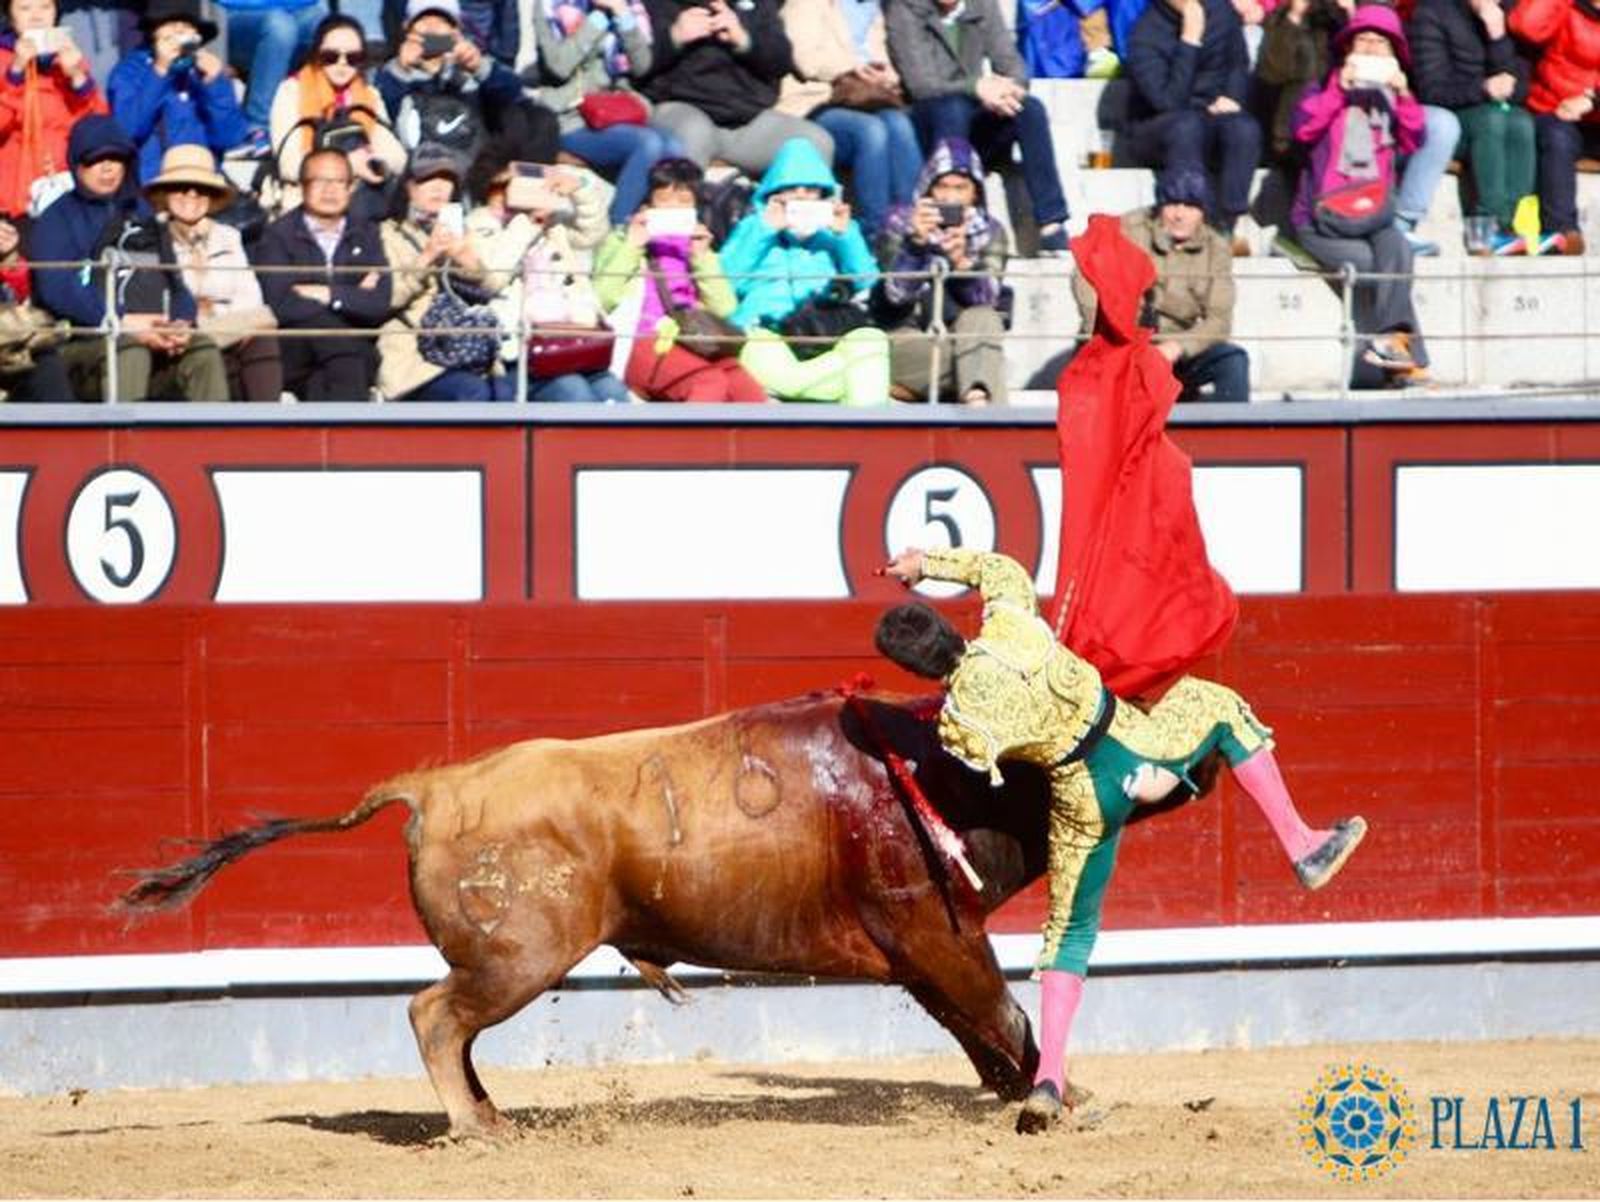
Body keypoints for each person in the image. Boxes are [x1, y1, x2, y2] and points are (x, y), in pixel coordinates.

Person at [875, 546, 1366, 1132]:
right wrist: (924, 564)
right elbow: (1000, 570)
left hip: (1083, 793)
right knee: (1224, 708)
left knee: (1070, 930)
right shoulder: (1010, 624)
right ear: (944, 623)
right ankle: (1301, 844)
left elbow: (971, 758)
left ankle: (1049, 1081)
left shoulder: (963, 716)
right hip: (1136, 737)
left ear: (916, 667)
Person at [29, 113, 228, 401]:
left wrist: (180, 324)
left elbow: (175, 283)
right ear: (77, 165)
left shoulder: (144, 215)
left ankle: (215, 444)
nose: (108, 167)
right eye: (96, 159)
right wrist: (124, 323)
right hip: (81, 344)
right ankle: (121, 443)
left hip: (152, 335)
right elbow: (57, 289)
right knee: (129, 349)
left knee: (203, 350)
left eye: (116, 158)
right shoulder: (57, 219)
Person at [1289, 3, 1429, 386]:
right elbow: (1302, 130)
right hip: (1322, 221)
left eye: (1379, 43)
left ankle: (1391, 348)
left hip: (1373, 214)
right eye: (1362, 40)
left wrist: (1402, 96)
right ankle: (1406, 365)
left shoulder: (1391, 97)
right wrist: (1340, 89)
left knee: (1396, 247)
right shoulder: (1322, 87)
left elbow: (1415, 139)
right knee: (1381, 265)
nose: (1369, 49)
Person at [886, 0, 1071, 253]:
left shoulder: (981, 5)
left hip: (975, 115)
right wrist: (976, 87)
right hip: (929, 118)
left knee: (1029, 108)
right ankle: (952, 219)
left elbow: (1011, 63)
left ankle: (1051, 221)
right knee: (953, 108)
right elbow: (921, 83)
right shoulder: (905, 8)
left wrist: (1008, 88)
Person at [719, 135, 889, 405]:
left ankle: (866, 426)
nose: (800, 194)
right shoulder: (754, 227)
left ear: (824, 194)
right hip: (763, 331)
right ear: (774, 192)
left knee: (871, 340)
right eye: (791, 188)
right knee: (851, 377)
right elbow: (722, 284)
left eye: (810, 189)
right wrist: (764, 231)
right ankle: (861, 404)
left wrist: (847, 236)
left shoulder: (839, 231)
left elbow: (868, 285)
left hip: (829, 332)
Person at [592, 156, 766, 402]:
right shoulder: (621, 242)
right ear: (646, 205)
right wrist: (632, 246)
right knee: (708, 381)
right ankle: (692, 441)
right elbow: (602, 299)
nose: (673, 207)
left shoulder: (697, 249)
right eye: (664, 200)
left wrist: (702, 258)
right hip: (640, 340)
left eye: (684, 202)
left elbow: (725, 309)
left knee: (743, 386)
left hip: (689, 339)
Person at [1073, 166, 1249, 402]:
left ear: (1203, 212)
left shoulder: (1216, 248)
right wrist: (1103, 329)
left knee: (1233, 361)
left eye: (1190, 207)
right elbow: (1084, 272)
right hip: (1121, 346)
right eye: (1172, 204)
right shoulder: (1128, 229)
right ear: (1159, 206)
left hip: (1176, 350)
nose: (1179, 215)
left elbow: (1220, 321)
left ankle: (1233, 435)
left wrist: (1176, 347)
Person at [877, 137, 1010, 405]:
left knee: (983, 318)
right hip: (906, 334)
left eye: (961, 188)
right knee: (985, 359)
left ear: (975, 193)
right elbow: (895, 297)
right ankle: (982, 401)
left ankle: (974, 399)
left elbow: (988, 300)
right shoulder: (898, 223)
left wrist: (962, 265)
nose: (950, 196)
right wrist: (915, 247)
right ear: (928, 190)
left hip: (963, 333)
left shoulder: (991, 232)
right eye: (942, 186)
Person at [376, 145, 513, 400]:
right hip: (416, 361)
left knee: (506, 393)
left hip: (467, 350)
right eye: (428, 179)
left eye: (447, 180)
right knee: (473, 392)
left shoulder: (465, 232)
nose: (439, 187)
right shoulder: (385, 234)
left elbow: (494, 288)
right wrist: (427, 257)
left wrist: (467, 261)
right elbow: (384, 298)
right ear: (409, 187)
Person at [254, 146, 392, 399]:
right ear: (302, 186)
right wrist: (350, 298)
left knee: (333, 373)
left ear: (351, 188)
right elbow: (281, 302)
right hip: (298, 347)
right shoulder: (278, 235)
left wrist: (327, 294)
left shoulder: (367, 233)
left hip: (352, 352)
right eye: (319, 180)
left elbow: (379, 303)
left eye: (339, 181)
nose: (329, 190)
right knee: (346, 358)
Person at [776, 0, 922, 238]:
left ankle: (910, 225)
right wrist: (853, 67)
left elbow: (884, 60)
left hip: (863, 99)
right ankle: (875, 233)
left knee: (900, 124)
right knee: (870, 131)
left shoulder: (873, 9)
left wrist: (885, 76)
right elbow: (807, 61)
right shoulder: (806, 5)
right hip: (814, 101)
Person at [530, 0, 683, 227]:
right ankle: (618, 228)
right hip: (571, 117)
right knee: (648, 144)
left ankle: (659, 232)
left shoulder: (629, 7)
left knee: (673, 147)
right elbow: (559, 66)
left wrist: (622, 13)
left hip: (615, 112)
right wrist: (598, 18)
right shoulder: (549, 8)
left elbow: (642, 65)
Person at [147, 143, 282, 401]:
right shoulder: (150, 239)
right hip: (179, 344)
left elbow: (250, 300)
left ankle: (269, 428)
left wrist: (217, 325)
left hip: (229, 335)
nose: (191, 195)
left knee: (263, 339)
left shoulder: (229, 237)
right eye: (180, 187)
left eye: (201, 189)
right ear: (165, 194)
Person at [636, 0, 831, 176]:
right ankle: (681, 210)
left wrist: (744, 40)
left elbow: (781, 62)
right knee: (693, 132)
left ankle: (790, 214)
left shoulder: (757, 5)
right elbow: (632, 66)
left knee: (814, 141)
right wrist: (674, 37)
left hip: (745, 120)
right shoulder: (654, 5)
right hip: (678, 109)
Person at [1124, 0, 1262, 242]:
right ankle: (1192, 212)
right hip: (1155, 127)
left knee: (1244, 128)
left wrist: (1233, 98)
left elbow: (1238, 64)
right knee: (1186, 126)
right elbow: (1167, 102)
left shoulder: (1222, 12)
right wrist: (1190, 41)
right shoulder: (1145, 33)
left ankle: (1227, 222)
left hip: (1211, 115)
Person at [1409, 0, 1533, 254]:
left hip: (1493, 113)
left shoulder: (1508, 15)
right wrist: (1483, 89)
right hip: (1450, 120)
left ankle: (1515, 226)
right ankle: (1491, 228)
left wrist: (1497, 35)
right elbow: (1431, 90)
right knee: (1492, 119)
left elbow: (1519, 89)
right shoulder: (1432, 13)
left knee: (1522, 122)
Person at [378, 0, 559, 171]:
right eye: (424, 20)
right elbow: (383, 110)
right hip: (418, 168)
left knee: (537, 117)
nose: (432, 28)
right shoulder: (393, 73)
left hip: (471, 163)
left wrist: (478, 66)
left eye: (441, 21)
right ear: (407, 28)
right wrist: (402, 70)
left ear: (456, 30)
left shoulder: (473, 68)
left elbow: (514, 95)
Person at [268, 15, 408, 224]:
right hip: (303, 201)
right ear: (316, 54)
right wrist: (348, 165)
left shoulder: (369, 96)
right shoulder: (291, 92)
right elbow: (289, 164)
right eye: (331, 56)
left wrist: (371, 163)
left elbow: (397, 158)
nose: (342, 64)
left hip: (363, 201)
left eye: (352, 58)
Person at [106, 0, 250, 181]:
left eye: (186, 26)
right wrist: (159, 72)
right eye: (171, 25)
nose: (179, 32)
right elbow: (126, 132)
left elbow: (229, 137)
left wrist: (215, 85)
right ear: (154, 33)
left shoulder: (206, 71)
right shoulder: (129, 72)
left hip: (203, 180)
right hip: (152, 183)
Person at [0, 0, 108, 218]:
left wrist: (78, 79)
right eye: (25, 8)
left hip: (65, 188)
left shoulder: (68, 58)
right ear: (10, 16)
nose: (36, 16)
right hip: (13, 195)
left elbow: (99, 131)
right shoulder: (4, 60)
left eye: (45, 7)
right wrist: (15, 74)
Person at [1510, 0, 1599, 255]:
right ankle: (1562, 232)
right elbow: (1525, 25)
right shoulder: (1567, 9)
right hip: (1555, 108)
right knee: (1558, 137)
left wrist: (1591, 100)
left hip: (1593, 112)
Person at [215, 0, 326, 157]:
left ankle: (320, 119)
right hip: (230, 14)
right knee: (279, 26)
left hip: (289, 11)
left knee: (323, 23)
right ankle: (255, 128)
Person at [0, 215, 74, 400]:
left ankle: (61, 427)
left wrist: (10, 259)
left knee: (47, 364)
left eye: (6, 222)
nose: (4, 229)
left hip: (26, 348)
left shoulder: (36, 240)